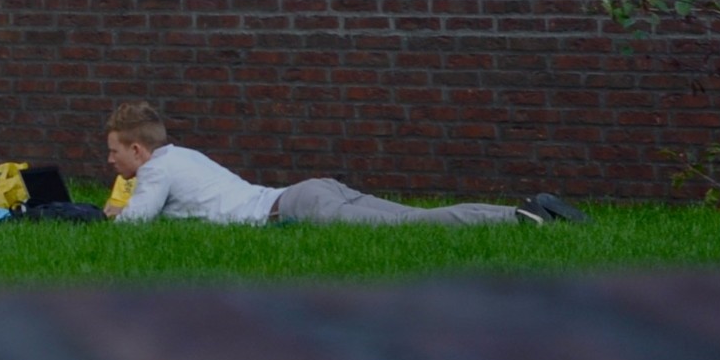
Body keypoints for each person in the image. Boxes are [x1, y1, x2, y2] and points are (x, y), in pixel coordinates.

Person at [101, 100, 585, 227]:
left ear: (138, 151)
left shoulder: (157, 171)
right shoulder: (183, 155)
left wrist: (113, 212)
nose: (110, 160)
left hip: (297, 208)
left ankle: (522, 220)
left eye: (115, 151)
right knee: (417, 219)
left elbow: (136, 224)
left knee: (414, 228)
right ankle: (524, 215)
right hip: (310, 191)